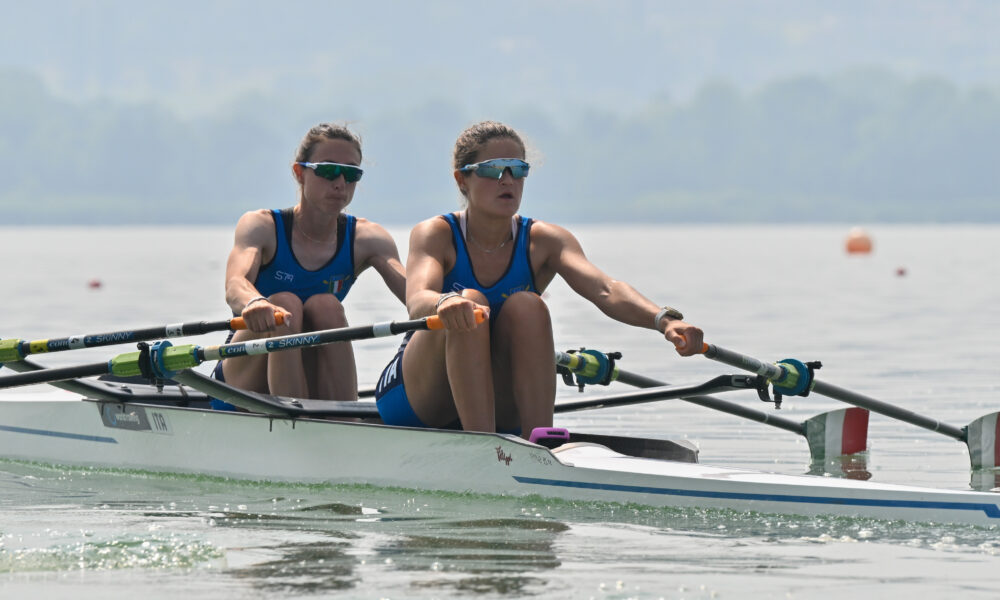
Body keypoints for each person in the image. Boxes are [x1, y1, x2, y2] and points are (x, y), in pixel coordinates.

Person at [374, 120, 703, 437]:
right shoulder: (436, 233)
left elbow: (605, 289)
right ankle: (482, 444)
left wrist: (664, 320)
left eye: (518, 170)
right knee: (471, 302)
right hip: (417, 397)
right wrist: (447, 301)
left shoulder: (544, 240)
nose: (507, 180)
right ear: (462, 179)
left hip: (496, 398)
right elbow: (417, 299)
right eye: (493, 169)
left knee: (528, 306)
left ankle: (541, 441)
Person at [216, 122, 406, 404]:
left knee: (326, 306)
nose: (340, 183)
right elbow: (235, 284)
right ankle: (300, 420)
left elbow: (416, 294)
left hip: (309, 372)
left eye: (351, 174)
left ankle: (346, 418)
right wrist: (255, 302)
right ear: (299, 173)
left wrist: (450, 303)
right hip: (242, 380)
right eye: (328, 170)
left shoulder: (367, 238)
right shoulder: (262, 226)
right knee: (285, 304)